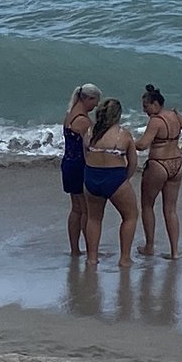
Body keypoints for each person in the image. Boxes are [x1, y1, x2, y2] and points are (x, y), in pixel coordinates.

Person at [79, 94, 140, 269]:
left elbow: (86, 156)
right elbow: (133, 162)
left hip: (91, 177)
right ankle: (125, 258)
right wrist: (125, 179)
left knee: (94, 218)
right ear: (117, 115)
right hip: (115, 177)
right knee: (130, 216)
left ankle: (92, 258)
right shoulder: (123, 135)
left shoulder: (90, 133)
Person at [136, 82, 182, 260]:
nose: (145, 111)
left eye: (146, 107)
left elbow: (142, 145)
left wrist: (125, 140)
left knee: (147, 205)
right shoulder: (175, 115)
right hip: (176, 164)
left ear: (155, 104)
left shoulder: (155, 121)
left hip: (158, 164)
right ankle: (174, 251)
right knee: (171, 210)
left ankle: (149, 246)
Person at [60, 83, 100, 260]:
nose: (96, 106)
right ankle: (91, 250)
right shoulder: (84, 121)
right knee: (86, 211)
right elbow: (91, 144)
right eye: (94, 102)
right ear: (87, 99)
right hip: (80, 165)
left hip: (68, 163)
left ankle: (75, 249)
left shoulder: (69, 116)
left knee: (76, 209)